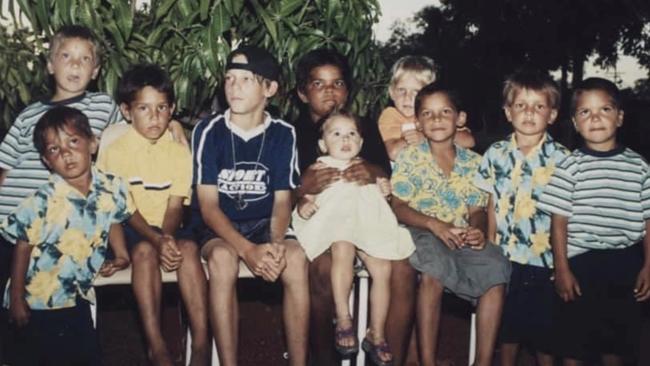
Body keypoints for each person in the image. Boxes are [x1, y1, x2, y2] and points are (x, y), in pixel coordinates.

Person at [1, 106, 167, 366]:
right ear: (46, 160)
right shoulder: (43, 199)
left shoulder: (111, 186)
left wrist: (123, 256)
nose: (66, 153)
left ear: (92, 144)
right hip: (36, 300)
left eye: (73, 141)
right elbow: (22, 246)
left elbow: (116, 217)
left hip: (76, 296)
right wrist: (17, 299)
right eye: (54, 149)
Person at [292, 48, 416, 366]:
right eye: (319, 84)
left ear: (347, 90)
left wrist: (371, 172)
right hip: (324, 221)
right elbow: (285, 190)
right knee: (321, 268)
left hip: (364, 216)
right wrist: (303, 190)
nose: (330, 91)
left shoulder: (362, 127)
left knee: (401, 269)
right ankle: (325, 358)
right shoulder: (292, 132)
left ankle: (386, 350)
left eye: (337, 84)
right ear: (303, 93)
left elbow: (382, 174)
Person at [192, 46, 309, 366]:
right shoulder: (208, 131)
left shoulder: (284, 134)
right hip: (219, 224)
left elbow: (283, 200)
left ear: (269, 88)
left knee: (296, 258)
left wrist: (273, 243)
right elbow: (208, 207)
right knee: (221, 259)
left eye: (246, 79)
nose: (234, 86)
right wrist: (247, 251)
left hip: (264, 223)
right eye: (229, 79)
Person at [96, 64, 209, 366]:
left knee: (188, 249)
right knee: (145, 253)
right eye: (144, 108)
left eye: (161, 108)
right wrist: (158, 241)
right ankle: (156, 344)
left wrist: (168, 237)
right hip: (131, 228)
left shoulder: (178, 153)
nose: (154, 117)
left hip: (168, 226)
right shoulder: (115, 152)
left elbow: (175, 205)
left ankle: (200, 342)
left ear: (171, 109)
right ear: (126, 111)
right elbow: (125, 208)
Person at [391, 83, 510, 366]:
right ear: (418, 122)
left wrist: (478, 230)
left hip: (460, 234)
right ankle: (427, 361)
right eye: (428, 114)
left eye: (445, 111)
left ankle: (482, 361)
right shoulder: (410, 157)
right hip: (422, 230)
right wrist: (434, 225)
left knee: (496, 266)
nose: (436, 119)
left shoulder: (473, 162)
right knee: (433, 271)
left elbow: (476, 208)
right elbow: (398, 207)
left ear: (460, 119)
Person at [537, 77, 650, 366]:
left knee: (617, 343)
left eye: (605, 110)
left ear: (620, 117)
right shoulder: (569, 166)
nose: (595, 118)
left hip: (626, 263)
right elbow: (558, 222)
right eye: (585, 112)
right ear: (575, 123)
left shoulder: (639, 167)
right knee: (573, 343)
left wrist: (649, 265)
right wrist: (561, 268)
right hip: (581, 264)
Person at [473, 69, 570, 366]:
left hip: (545, 261)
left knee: (545, 336)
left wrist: (564, 260)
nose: (529, 112)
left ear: (552, 114)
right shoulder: (495, 153)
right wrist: (490, 245)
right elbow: (490, 202)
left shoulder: (563, 159)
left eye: (539, 106)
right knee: (508, 332)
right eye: (521, 105)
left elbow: (565, 214)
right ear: (507, 112)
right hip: (505, 258)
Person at [378, 56, 474, 161]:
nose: (407, 97)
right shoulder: (391, 116)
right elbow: (393, 153)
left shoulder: (437, 113)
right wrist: (409, 140)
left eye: (416, 92)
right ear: (392, 93)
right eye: (401, 90)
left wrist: (427, 136)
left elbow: (469, 141)